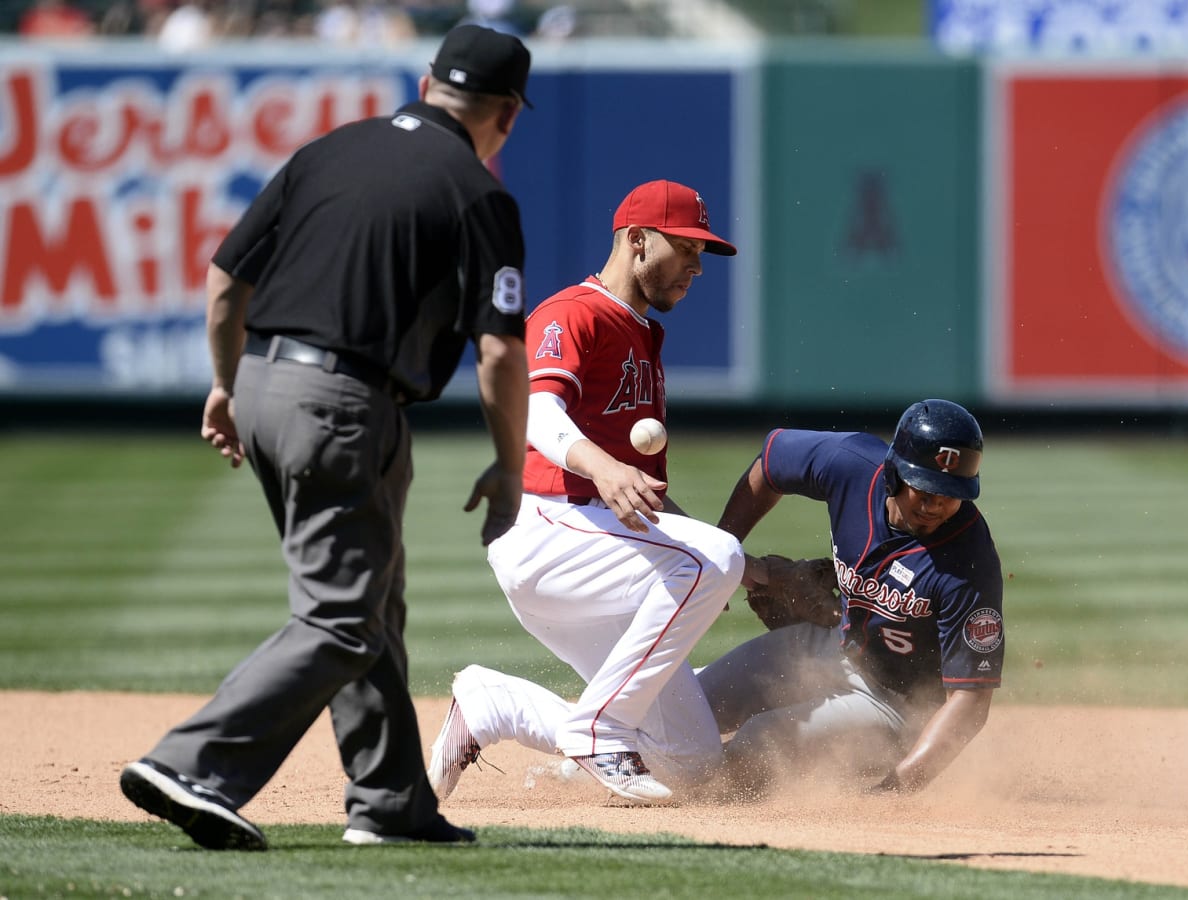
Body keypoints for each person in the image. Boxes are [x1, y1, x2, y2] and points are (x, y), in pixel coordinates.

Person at [118, 24, 534, 850]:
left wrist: (227, 385)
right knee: (343, 618)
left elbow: (226, 280)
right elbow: (498, 350)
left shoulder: (327, 151)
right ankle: (194, 765)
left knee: (371, 604)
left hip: (266, 382)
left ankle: (391, 805)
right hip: (345, 403)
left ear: (426, 84)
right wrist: (510, 465)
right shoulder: (478, 190)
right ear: (507, 115)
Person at [424, 179, 746, 805]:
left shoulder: (642, 337)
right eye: (685, 249)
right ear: (635, 240)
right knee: (716, 559)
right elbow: (535, 412)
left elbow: (637, 495)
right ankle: (600, 731)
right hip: (545, 530)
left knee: (693, 765)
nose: (696, 267)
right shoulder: (575, 312)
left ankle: (492, 705)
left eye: (700, 254)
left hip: (593, 552)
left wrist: (744, 571)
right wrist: (603, 467)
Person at [697, 399, 1004, 795]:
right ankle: (600, 763)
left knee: (754, 747)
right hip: (834, 647)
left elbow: (970, 703)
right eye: (924, 489)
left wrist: (897, 789)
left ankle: (678, 791)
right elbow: (772, 461)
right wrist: (721, 553)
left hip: (898, 708)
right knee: (689, 704)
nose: (935, 505)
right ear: (894, 473)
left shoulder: (968, 563)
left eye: (950, 492)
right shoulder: (852, 465)